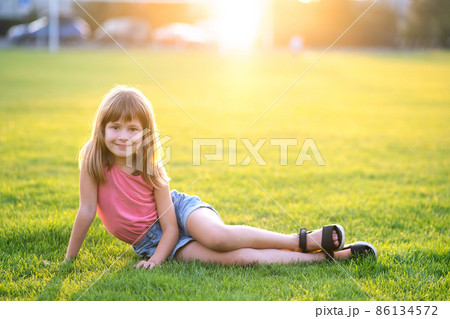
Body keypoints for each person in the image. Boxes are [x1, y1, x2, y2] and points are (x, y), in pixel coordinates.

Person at [65, 85, 377, 270]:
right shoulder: (93, 159)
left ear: (145, 133)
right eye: (115, 128)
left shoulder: (150, 166)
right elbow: (87, 212)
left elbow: (171, 224)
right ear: (101, 129)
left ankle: (302, 241)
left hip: (180, 214)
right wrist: (70, 261)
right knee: (236, 260)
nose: (123, 136)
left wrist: (158, 262)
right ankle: (325, 259)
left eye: (132, 129)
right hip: (152, 241)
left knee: (219, 239)